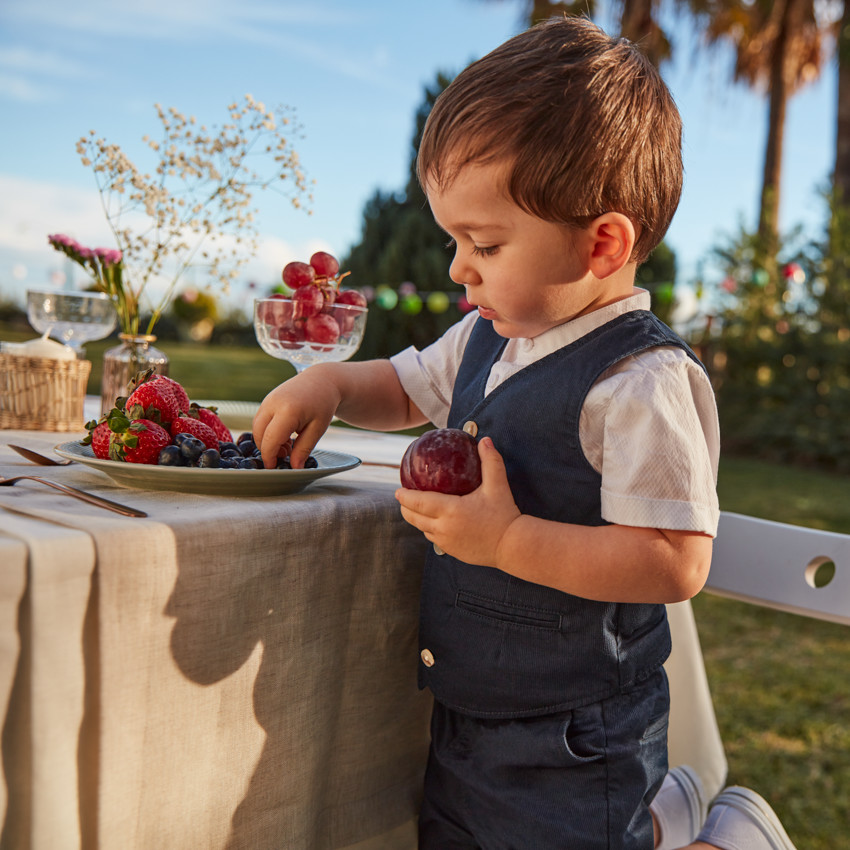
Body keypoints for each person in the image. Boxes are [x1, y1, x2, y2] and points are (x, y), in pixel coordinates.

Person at [253, 15, 720, 848]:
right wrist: (327, 379)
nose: (458, 268)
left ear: (601, 244)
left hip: (575, 736)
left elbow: (673, 560)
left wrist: (507, 541)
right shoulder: (486, 334)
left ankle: (700, 830)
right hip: (469, 710)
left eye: (485, 243)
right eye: (453, 240)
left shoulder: (640, 382)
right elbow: (401, 387)